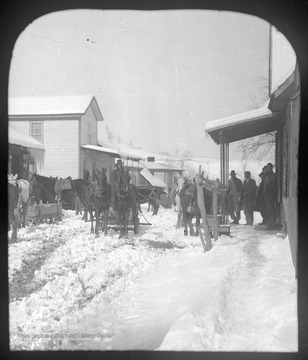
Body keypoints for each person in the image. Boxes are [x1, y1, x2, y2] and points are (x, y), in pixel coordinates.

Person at [263, 162, 278, 230]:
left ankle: (271, 225)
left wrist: (273, 196)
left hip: (271, 196)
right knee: (268, 210)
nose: (268, 169)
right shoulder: (266, 176)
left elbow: (274, 186)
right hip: (267, 196)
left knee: (271, 210)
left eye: (269, 168)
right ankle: (269, 225)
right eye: (267, 168)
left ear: (271, 168)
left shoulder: (273, 175)